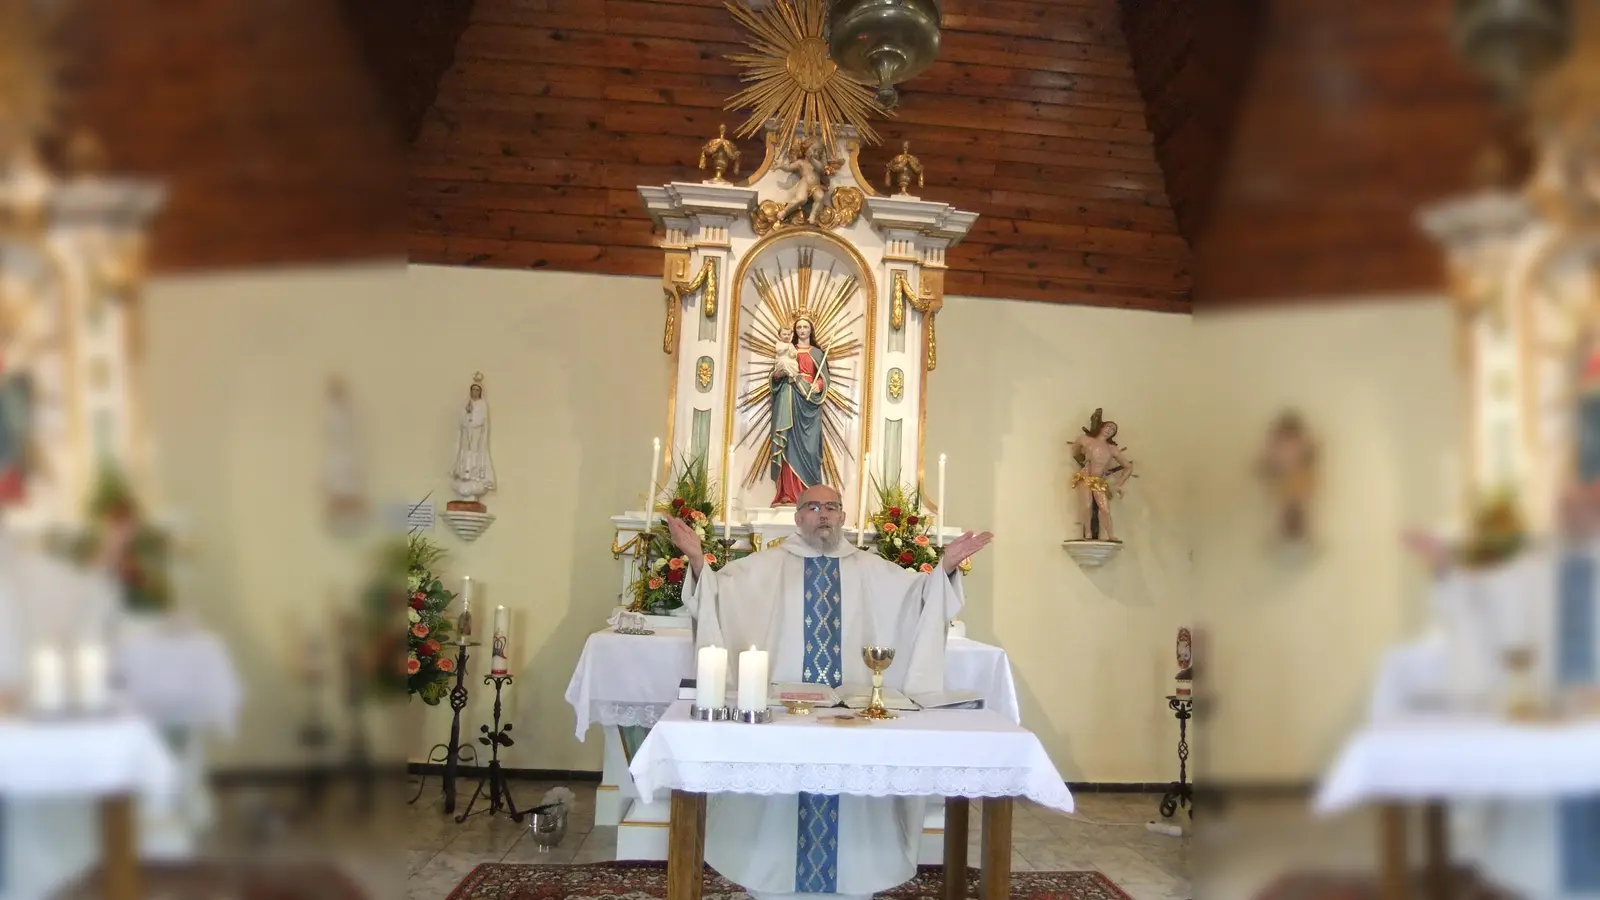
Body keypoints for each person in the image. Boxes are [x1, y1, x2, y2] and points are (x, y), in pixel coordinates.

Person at [666, 484, 993, 900]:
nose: (823, 515)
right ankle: (772, 879)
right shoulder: (761, 568)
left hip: (851, 718)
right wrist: (696, 559)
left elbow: (920, 598)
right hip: (784, 716)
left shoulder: (872, 569)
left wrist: (945, 566)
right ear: (797, 516)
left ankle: (853, 880)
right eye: (813, 507)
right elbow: (715, 596)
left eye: (832, 507)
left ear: (843, 516)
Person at [769, 317, 827, 506]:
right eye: (799, 327)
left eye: (805, 327)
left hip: (808, 402)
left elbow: (824, 379)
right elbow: (775, 377)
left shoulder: (817, 353)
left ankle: (808, 493)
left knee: (810, 448)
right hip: (788, 396)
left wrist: (817, 385)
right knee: (788, 442)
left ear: (811, 330)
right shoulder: (788, 351)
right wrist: (779, 375)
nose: (802, 330)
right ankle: (787, 493)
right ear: (794, 331)